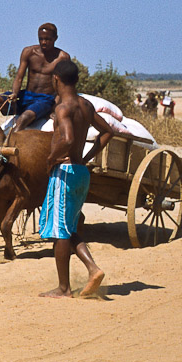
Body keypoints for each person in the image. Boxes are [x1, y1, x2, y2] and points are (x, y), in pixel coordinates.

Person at [39, 59, 114, 299]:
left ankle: (64, 288)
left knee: (61, 230)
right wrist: (87, 156)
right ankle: (93, 269)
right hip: (80, 172)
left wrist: (51, 158)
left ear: (56, 79)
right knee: (68, 226)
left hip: (66, 173)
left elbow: (68, 139)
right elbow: (108, 131)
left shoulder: (64, 108)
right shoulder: (86, 105)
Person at [0, 23, 71, 142]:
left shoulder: (63, 58)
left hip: (44, 100)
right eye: (41, 39)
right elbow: (19, 78)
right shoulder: (29, 52)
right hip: (26, 95)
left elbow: (63, 86)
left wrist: (54, 107)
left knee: (23, 118)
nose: (43, 42)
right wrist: (14, 94)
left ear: (55, 38)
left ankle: (6, 148)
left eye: (48, 39)